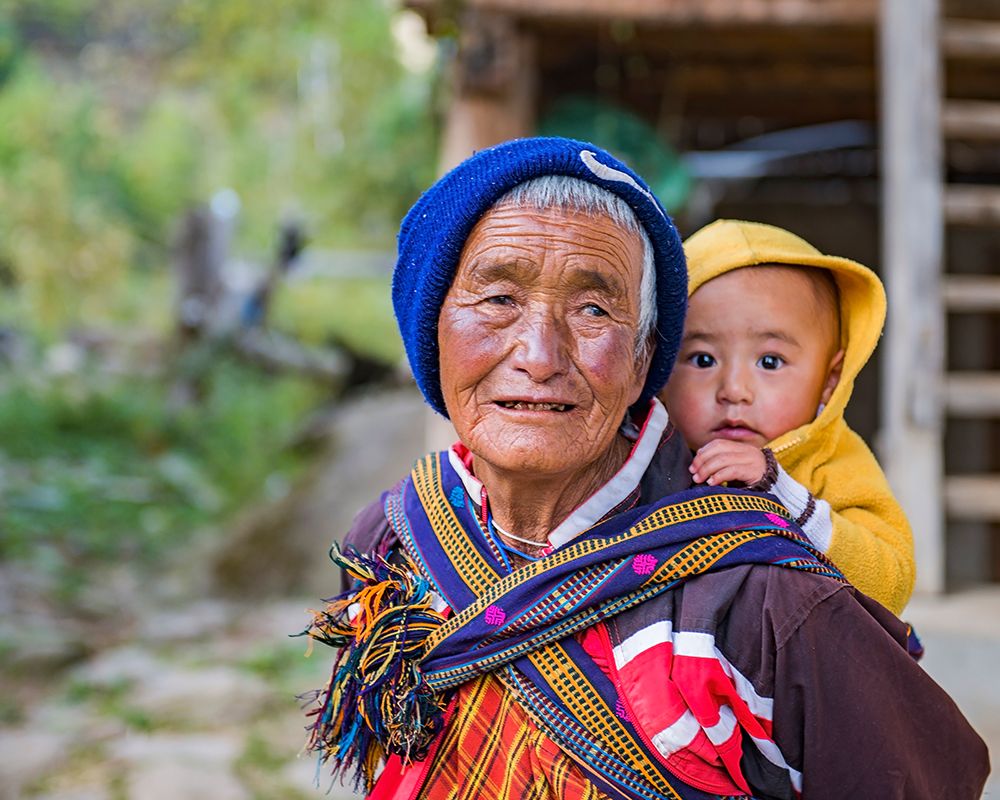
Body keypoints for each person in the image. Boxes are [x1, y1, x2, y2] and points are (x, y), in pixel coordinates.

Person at [302, 138, 989, 800]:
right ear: (433, 330)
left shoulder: (767, 603)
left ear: (642, 360)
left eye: (594, 308)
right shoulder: (391, 545)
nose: (540, 355)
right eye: (498, 299)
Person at [660, 220, 914, 615]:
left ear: (829, 381)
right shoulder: (648, 455)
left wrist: (780, 492)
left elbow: (890, 585)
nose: (734, 390)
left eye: (770, 361)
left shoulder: (833, 462)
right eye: (702, 359)